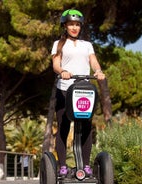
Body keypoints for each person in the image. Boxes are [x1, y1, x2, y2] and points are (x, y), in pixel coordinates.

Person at [51, 9, 105, 176]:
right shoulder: (58, 44)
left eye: (77, 24)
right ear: (65, 26)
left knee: (86, 128)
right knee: (63, 127)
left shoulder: (87, 45)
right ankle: (62, 166)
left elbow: (93, 61)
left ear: (80, 26)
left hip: (84, 91)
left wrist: (98, 71)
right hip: (64, 89)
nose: (74, 27)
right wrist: (62, 71)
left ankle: (86, 165)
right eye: (71, 24)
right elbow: (56, 64)